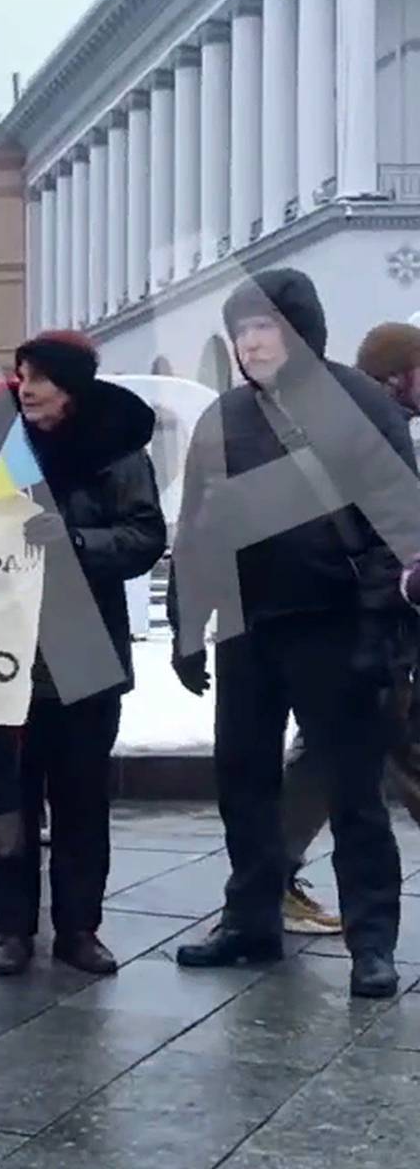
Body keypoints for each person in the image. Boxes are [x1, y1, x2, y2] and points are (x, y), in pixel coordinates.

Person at [171, 269, 420, 999]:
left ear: (301, 333)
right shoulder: (224, 418)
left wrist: (379, 626)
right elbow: (197, 526)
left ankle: (372, 942)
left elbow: (401, 527)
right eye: (243, 331)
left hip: (335, 627)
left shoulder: (362, 403)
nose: (253, 343)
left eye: (266, 329)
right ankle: (251, 921)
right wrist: (191, 626)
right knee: (243, 784)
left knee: (352, 796)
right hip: (248, 630)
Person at [0, 333, 166, 977]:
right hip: (13, 649)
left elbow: (145, 536)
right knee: (12, 798)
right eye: (20, 374)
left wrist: (74, 541)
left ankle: (79, 929)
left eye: (38, 378)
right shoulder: (9, 443)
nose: (25, 387)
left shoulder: (118, 449)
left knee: (82, 799)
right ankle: (11, 930)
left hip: (86, 643)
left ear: (71, 387)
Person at [279, 320, 420, 936]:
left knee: (333, 756)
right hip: (360, 626)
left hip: (370, 626)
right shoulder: (365, 435)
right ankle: (269, 878)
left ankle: (269, 876)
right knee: (388, 754)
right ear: (397, 376)